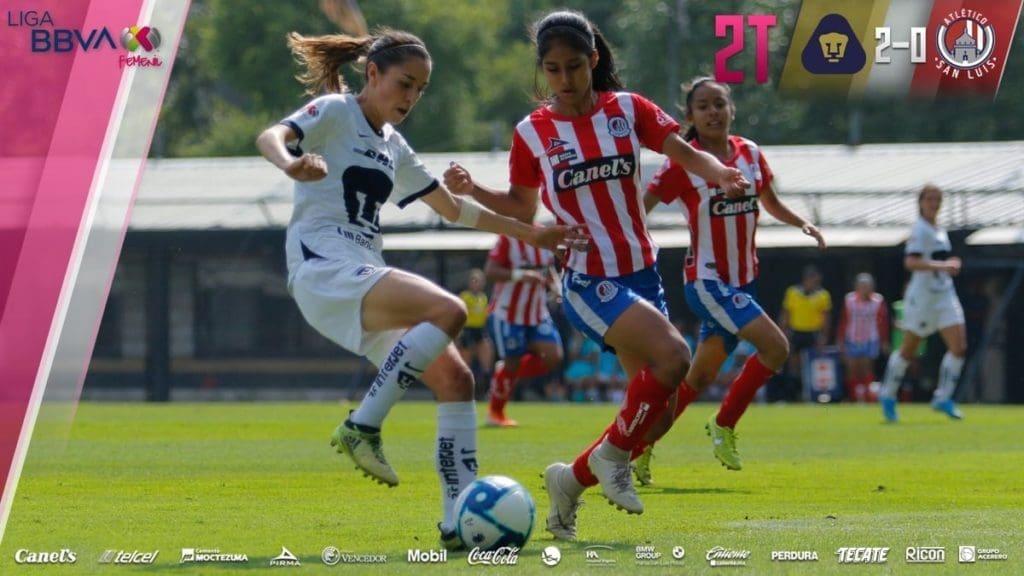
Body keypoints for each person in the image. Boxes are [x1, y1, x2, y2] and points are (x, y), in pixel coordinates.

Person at [255, 28, 584, 550]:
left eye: (420, 89)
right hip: (324, 270)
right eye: (404, 83)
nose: (411, 97)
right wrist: (291, 162)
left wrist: (532, 233)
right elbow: (270, 136)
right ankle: (363, 425)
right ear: (372, 74)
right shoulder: (337, 111)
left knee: (456, 381)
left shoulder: (394, 146)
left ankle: (457, 524)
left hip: (361, 275)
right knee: (448, 310)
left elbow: (453, 210)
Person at [443, 11, 748, 539]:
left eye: (574, 67)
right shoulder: (532, 132)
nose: (564, 79)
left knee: (657, 418)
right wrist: (472, 190)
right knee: (675, 356)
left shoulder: (628, 109)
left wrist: (721, 173)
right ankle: (611, 459)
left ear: (594, 59)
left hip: (642, 272)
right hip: (587, 279)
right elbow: (521, 206)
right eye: (553, 69)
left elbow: (683, 152)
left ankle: (570, 481)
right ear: (543, 69)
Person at [631, 77, 826, 484]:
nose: (713, 112)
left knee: (698, 378)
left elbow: (770, 201)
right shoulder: (683, 162)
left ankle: (636, 449)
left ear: (731, 109)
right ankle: (723, 425)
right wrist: (619, 246)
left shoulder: (749, 152)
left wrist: (801, 222)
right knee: (776, 347)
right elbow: (640, 208)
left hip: (744, 282)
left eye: (719, 104)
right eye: (703, 106)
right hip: (706, 282)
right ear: (690, 115)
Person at [879, 184, 966, 422]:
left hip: (944, 294)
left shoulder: (939, 229)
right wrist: (944, 266)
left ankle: (943, 397)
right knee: (909, 350)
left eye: (937, 199)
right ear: (920, 202)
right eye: (929, 199)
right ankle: (888, 395)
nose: (934, 204)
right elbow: (911, 262)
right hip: (923, 298)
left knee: (959, 347)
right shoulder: (920, 229)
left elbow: (936, 258)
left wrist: (949, 263)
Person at [484, 234, 562, 427]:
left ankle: (504, 372)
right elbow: (490, 271)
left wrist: (556, 285)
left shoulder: (544, 234)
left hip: (537, 313)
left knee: (553, 357)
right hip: (508, 313)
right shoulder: (507, 238)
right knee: (512, 362)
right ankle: (496, 413)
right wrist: (520, 275)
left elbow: (548, 268)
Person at [778, 265, 832, 401]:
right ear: (806, 279)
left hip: (813, 333)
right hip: (796, 332)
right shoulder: (792, 292)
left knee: (813, 365)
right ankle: (794, 395)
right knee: (794, 365)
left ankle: (813, 395)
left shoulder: (823, 295)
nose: (816, 283)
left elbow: (826, 318)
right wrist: (783, 333)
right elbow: (786, 314)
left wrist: (824, 337)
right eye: (813, 280)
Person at [836, 273, 890, 402]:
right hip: (852, 339)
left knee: (866, 369)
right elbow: (843, 321)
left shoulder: (878, 300)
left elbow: (883, 322)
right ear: (856, 287)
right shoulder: (849, 300)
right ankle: (854, 397)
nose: (864, 289)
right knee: (852, 369)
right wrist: (840, 340)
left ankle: (868, 397)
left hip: (870, 339)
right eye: (862, 286)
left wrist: (884, 341)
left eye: (867, 286)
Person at [457, 268, 494, 394]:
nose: (477, 284)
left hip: (480, 331)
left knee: (487, 360)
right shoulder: (465, 296)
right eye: (474, 281)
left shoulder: (483, 298)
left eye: (480, 281)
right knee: (465, 364)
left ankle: (487, 390)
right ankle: (463, 391)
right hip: (467, 331)